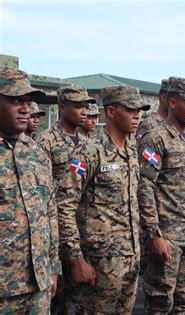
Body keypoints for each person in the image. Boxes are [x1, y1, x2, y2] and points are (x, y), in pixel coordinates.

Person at [55, 85, 149, 314]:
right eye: (130, 109)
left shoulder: (131, 150)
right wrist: (76, 258)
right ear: (111, 111)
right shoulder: (89, 152)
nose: (137, 115)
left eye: (139, 110)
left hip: (131, 256)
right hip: (100, 261)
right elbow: (64, 206)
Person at [138, 76, 185, 313]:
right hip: (167, 237)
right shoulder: (156, 139)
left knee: (184, 300)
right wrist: (154, 234)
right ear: (172, 102)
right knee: (161, 301)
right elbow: (145, 187)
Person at [0, 67, 61, 313]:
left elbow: (49, 212)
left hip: (38, 284)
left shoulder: (34, 151)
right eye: (16, 100)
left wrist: (53, 268)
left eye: (28, 101)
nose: (26, 109)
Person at [36, 84, 96, 314]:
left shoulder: (89, 142)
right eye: (78, 106)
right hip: (59, 230)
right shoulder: (46, 140)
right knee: (56, 297)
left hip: (84, 228)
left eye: (86, 106)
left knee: (81, 297)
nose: (84, 111)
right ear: (62, 107)